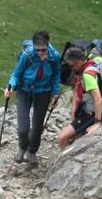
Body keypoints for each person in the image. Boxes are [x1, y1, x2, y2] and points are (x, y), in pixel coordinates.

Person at [4, 30, 61, 167]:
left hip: (43, 92)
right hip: (24, 90)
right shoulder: (27, 55)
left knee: (37, 126)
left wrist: (55, 93)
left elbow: (56, 75)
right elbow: (16, 74)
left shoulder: (54, 57)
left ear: (48, 45)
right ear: (34, 46)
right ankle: (22, 147)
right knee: (23, 128)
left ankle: (32, 151)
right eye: (38, 50)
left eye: (43, 50)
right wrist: (10, 87)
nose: (40, 52)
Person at [57, 47, 102, 151]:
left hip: (90, 114)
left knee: (62, 137)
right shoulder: (93, 62)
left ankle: (63, 158)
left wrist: (97, 122)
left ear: (78, 62)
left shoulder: (87, 76)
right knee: (76, 136)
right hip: (88, 109)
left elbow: (97, 98)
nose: (72, 69)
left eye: (72, 66)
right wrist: (74, 108)